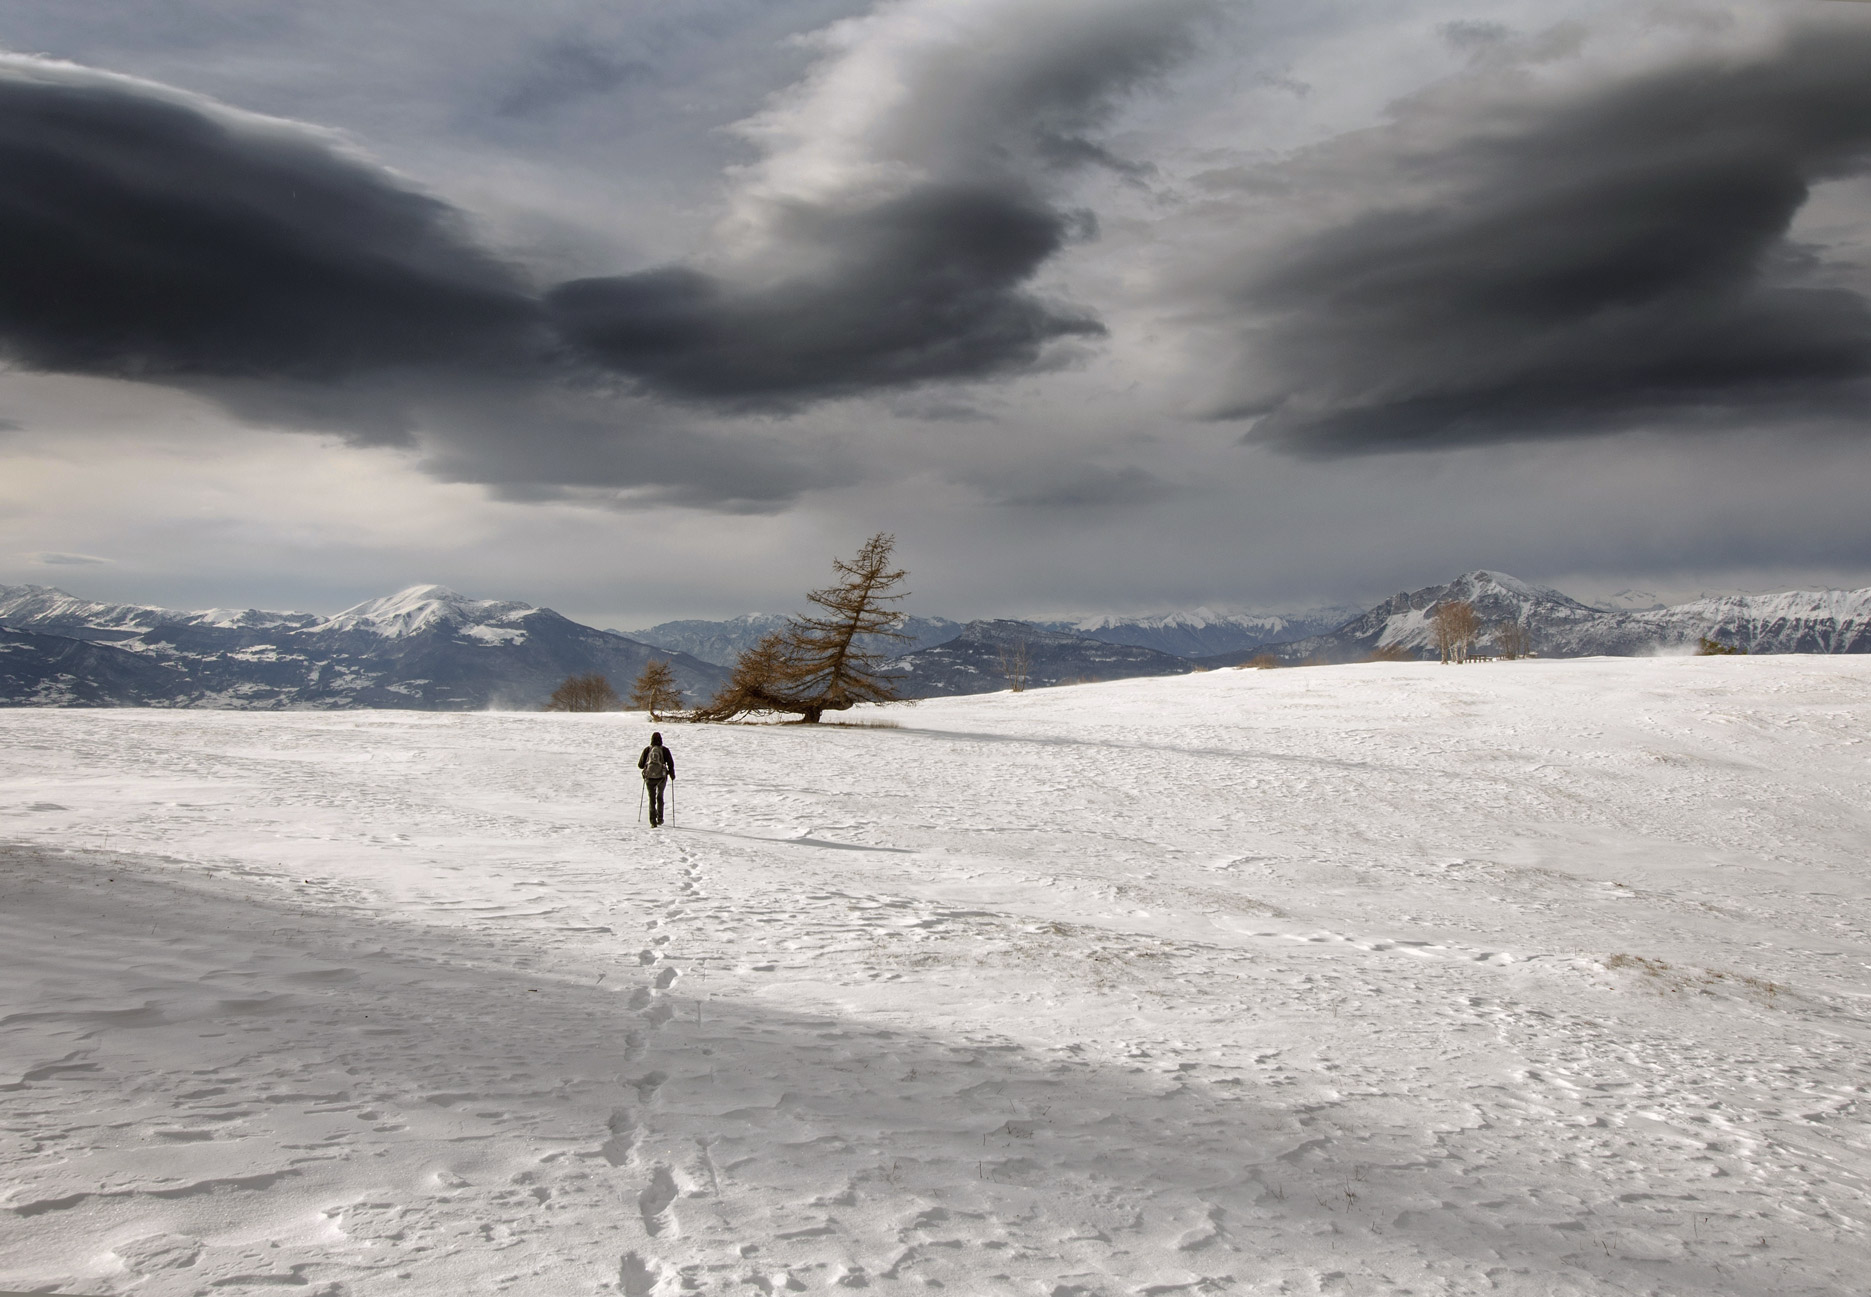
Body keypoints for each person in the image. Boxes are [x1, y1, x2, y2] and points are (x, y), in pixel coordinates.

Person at [638, 731, 675, 827]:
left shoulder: (647, 750)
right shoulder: (665, 750)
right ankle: (660, 818)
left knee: (651, 799)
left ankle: (652, 821)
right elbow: (671, 764)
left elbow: (640, 765)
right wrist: (672, 774)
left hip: (649, 778)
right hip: (661, 778)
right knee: (660, 797)